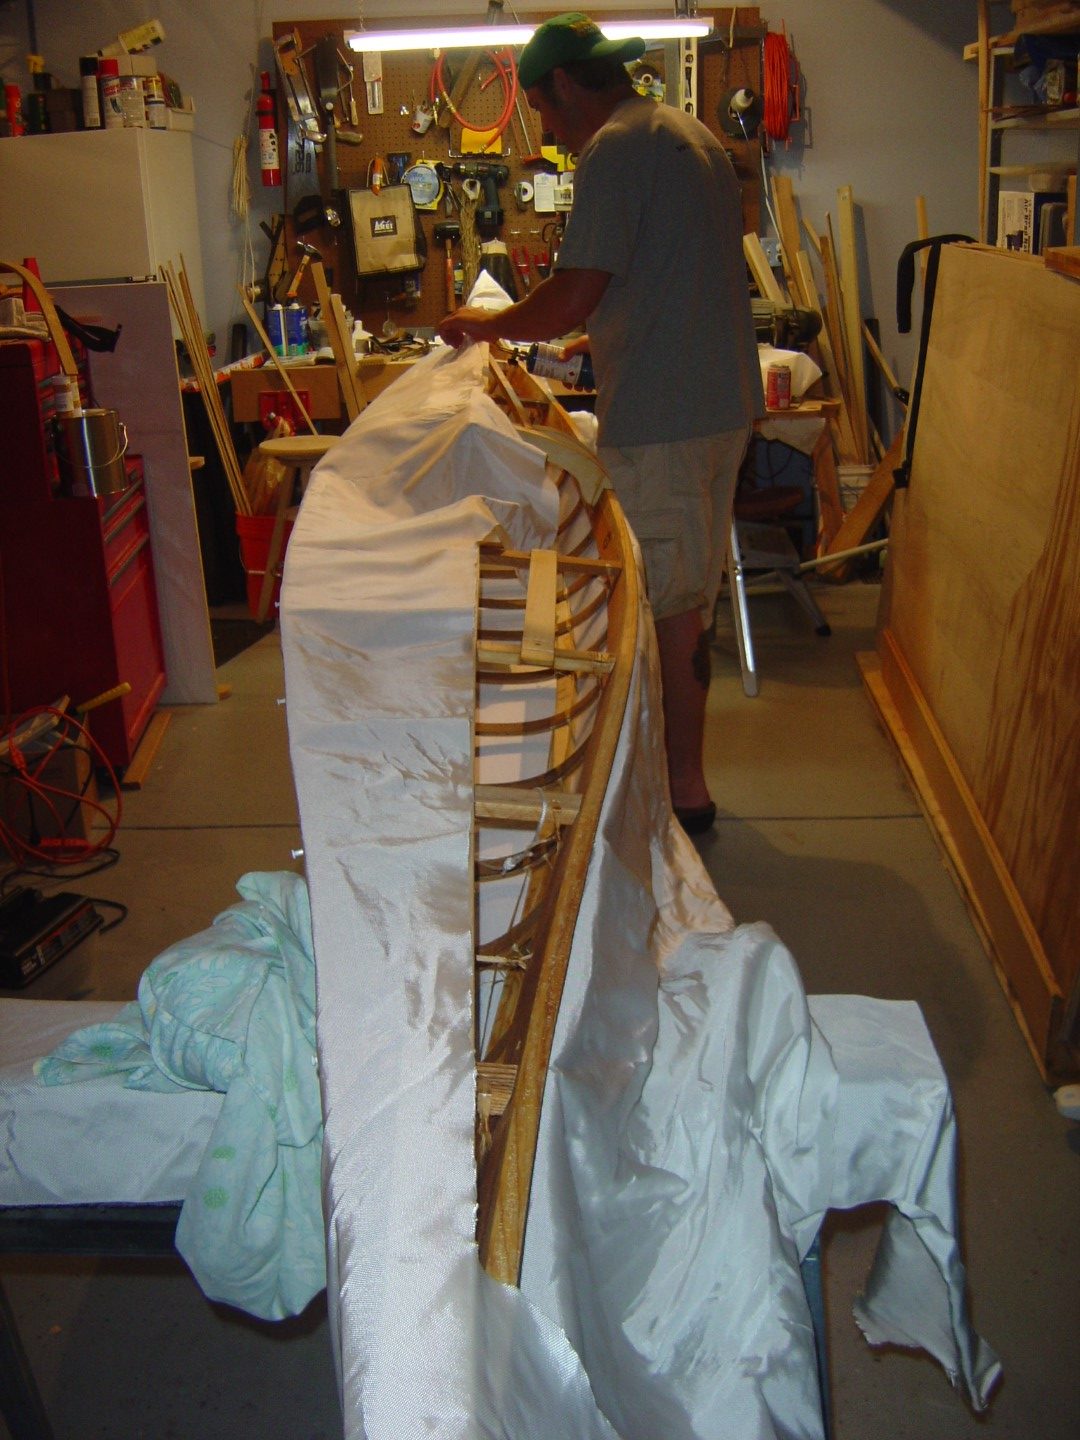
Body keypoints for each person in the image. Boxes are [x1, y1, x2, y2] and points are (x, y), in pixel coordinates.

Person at [438, 12, 763, 836]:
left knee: (668, 607)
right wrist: (604, 332)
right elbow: (670, 272)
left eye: (543, 109)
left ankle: (680, 791)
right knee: (685, 596)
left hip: (665, 420)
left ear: (563, 84)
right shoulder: (687, 134)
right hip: (717, 404)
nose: (549, 128)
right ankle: (670, 776)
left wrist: (488, 327)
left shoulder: (613, 150)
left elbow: (576, 289)